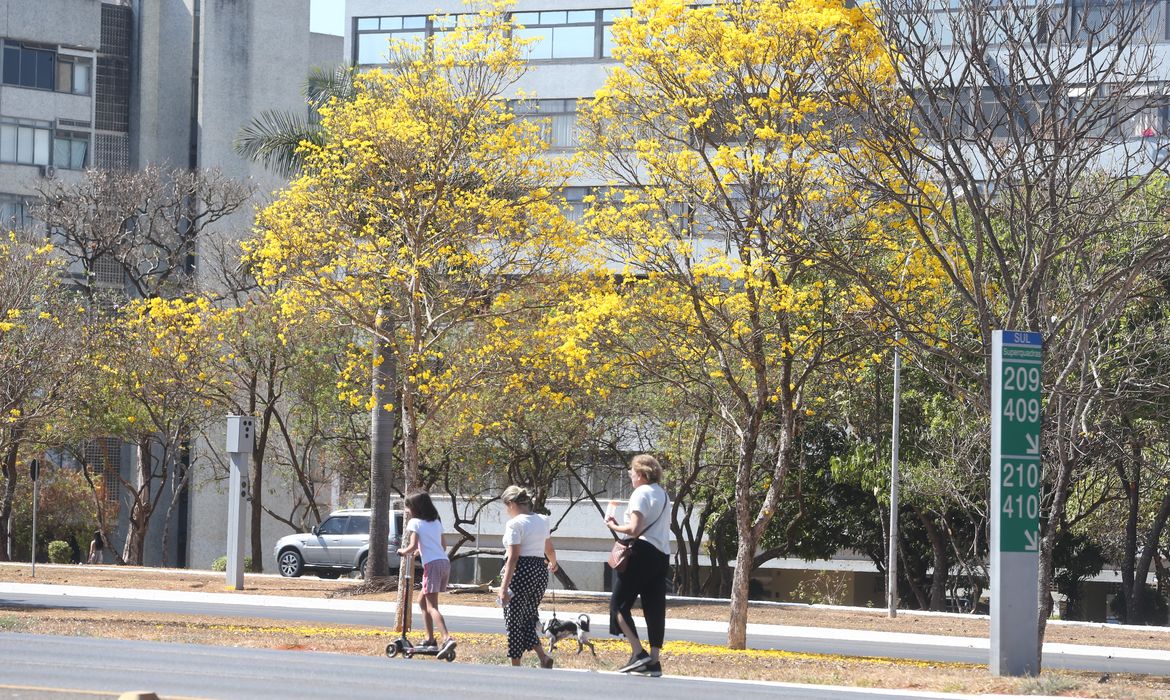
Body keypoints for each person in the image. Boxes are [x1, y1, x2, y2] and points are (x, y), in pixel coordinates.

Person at [606, 454, 671, 677]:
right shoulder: (662, 494)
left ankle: (637, 652)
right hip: (661, 555)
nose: (631, 477)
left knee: (618, 605)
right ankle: (653, 661)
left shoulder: (640, 493)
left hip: (641, 553)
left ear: (641, 474)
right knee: (654, 608)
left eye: (632, 473)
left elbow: (634, 529)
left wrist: (615, 526)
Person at [498, 485, 558, 668]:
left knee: (513, 620)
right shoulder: (542, 519)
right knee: (528, 617)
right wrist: (553, 563)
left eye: (506, 507)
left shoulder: (515, 524)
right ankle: (543, 657)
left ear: (511, 503)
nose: (507, 511)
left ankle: (515, 663)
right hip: (540, 571)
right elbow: (549, 548)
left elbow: (513, 557)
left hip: (521, 571)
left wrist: (503, 587)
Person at [397, 491, 455, 658]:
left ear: (415, 508)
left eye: (408, 507)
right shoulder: (436, 522)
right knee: (422, 600)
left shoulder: (415, 523)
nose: (406, 510)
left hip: (432, 565)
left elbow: (412, 545)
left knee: (432, 606)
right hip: (444, 563)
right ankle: (429, 639)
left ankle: (447, 638)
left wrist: (403, 551)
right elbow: (443, 546)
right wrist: (419, 551)